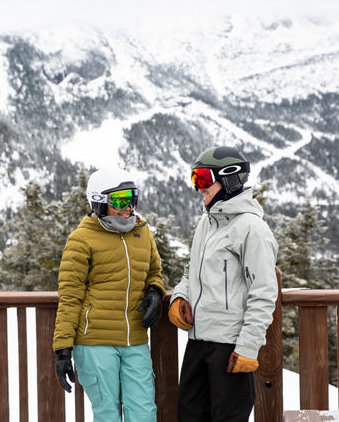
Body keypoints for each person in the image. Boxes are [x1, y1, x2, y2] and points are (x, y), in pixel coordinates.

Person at [168, 146, 278, 422]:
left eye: (204, 179)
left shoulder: (252, 229)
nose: (198, 188)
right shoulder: (207, 224)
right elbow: (191, 271)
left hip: (229, 349)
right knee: (188, 416)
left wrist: (248, 347)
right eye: (195, 179)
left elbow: (263, 295)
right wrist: (180, 296)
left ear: (230, 179)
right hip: (197, 344)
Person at [53, 167, 165, 422]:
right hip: (95, 342)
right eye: (120, 200)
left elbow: (155, 272)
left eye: (132, 198)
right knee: (108, 415)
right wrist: (63, 350)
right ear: (99, 202)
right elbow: (70, 297)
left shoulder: (142, 231)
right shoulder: (81, 239)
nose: (129, 207)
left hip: (134, 338)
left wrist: (155, 291)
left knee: (144, 413)